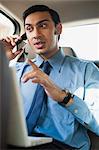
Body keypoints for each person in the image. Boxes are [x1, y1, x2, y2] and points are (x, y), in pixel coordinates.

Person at [1, 5, 99, 150]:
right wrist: (3, 60)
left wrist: (63, 97)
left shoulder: (86, 70)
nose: (35, 34)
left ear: (58, 29)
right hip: (17, 143)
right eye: (29, 29)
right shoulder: (15, 69)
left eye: (43, 25)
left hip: (62, 146)